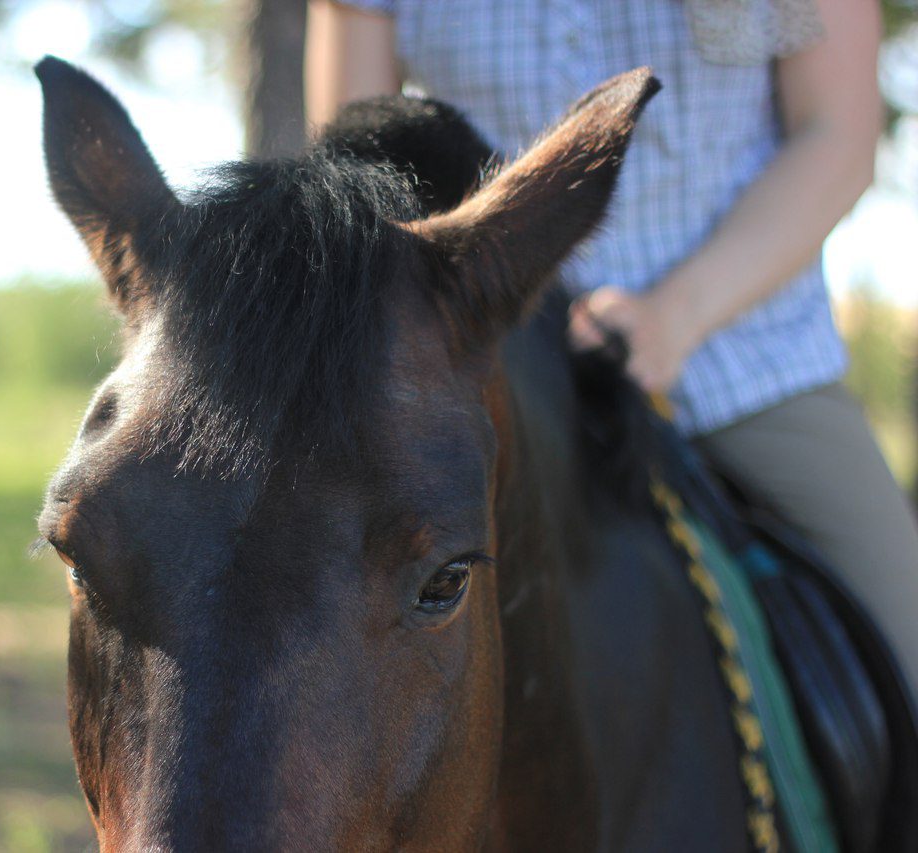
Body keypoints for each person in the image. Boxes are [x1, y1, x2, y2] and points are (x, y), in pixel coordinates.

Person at [305, 0, 918, 696]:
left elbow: (836, 136)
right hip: (487, 376)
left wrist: (672, 316)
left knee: (906, 649)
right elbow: (356, 176)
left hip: (747, 361)